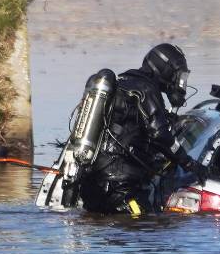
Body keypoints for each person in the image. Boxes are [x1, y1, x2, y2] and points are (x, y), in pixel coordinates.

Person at [77, 43, 209, 216]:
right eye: (178, 75)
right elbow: (161, 137)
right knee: (145, 226)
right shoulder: (146, 90)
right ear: (166, 70)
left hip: (91, 184)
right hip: (121, 190)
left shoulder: (124, 85)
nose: (179, 81)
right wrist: (190, 164)